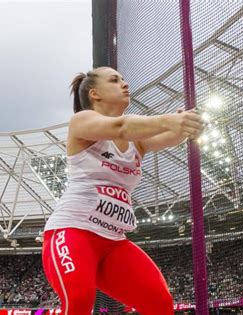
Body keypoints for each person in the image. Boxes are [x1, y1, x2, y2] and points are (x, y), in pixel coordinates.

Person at [41, 66, 203, 315]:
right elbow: (120, 127)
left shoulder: (136, 141)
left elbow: (170, 135)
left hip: (114, 242)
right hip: (73, 232)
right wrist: (170, 120)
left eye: (124, 79)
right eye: (115, 80)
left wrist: (188, 123)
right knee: (79, 301)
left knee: (160, 304)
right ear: (95, 94)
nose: (125, 84)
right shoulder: (82, 120)